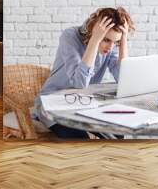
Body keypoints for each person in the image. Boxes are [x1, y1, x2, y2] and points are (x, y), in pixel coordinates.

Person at [34, 7, 135, 139]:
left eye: (115, 42)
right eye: (106, 40)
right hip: (53, 103)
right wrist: (95, 39)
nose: (110, 47)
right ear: (95, 31)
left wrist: (123, 42)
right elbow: (79, 83)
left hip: (84, 103)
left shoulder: (110, 48)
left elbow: (124, 80)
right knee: (80, 139)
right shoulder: (70, 36)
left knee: (118, 133)